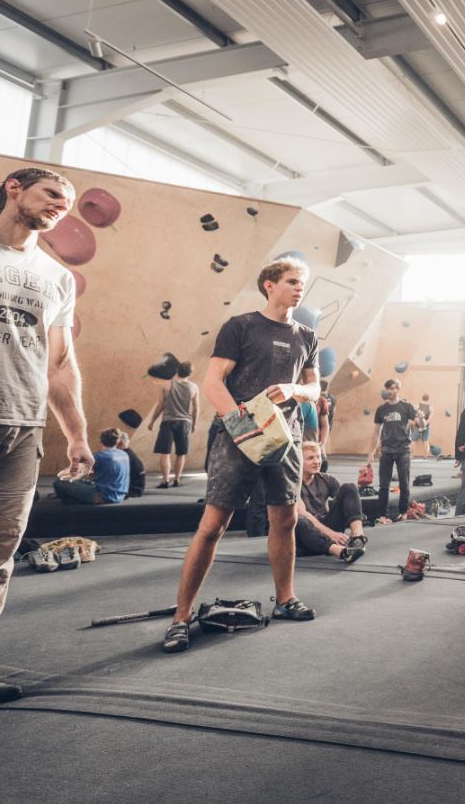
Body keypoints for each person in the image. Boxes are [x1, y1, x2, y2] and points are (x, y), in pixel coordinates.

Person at [0, 167, 91, 707]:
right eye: (52, 193)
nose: (61, 206)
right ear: (14, 189)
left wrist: (77, 434)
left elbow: (61, 364)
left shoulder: (58, 277)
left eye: (68, 202)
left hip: (22, 429)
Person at [162, 257, 320, 654]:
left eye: (303, 282)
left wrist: (296, 391)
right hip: (238, 436)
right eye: (291, 281)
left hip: (284, 437)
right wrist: (241, 423)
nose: (299, 287)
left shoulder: (307, 336)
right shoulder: (241, 326)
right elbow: (213, 380)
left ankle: (285, 600)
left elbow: (316, 389)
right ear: (269, 284)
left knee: (284, 519)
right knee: (213, 524)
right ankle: (181, 618)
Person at [293, 442, 367, 563]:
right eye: (311, 458)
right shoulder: (292, 484)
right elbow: (303, 514)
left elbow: (347, 499)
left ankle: (358, 539)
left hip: (326, 525)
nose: (317, 461)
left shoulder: (327, 479)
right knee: (299, 521)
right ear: (299, 461)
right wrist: (332, 534)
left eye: (318, 457)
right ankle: (341, 552)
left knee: (350, 487)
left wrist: (360, 484)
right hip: (308, 533)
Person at [145, 361, 199, 488]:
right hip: (185, 422)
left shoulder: (166, 385)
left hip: (168, 422)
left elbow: (160, 406)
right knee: (181, 453)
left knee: (165, 453)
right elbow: (196, 408)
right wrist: (194, 424)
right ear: (190, 373)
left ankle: (165, 480)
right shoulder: (194, 387)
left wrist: (152, 421)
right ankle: (177, 479)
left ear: (177, 371)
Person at [370, 379, 418, 522]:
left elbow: (420, 424)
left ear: (398, 389)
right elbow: (376, 432)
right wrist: (370, 452)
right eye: (388, 389)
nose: (390, 392)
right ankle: (382, 515)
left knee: (404, 484)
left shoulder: (407, 407)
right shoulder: (381, 409)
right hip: (386, 451)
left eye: (392, 388)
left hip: (403, 450)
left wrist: (421, 418)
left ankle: (402, 512)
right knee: (384, 485)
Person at [53, 429, 131, 505]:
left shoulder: (99, 457)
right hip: (120, 496)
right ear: (117, 441)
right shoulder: (124, 455)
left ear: (101, 441)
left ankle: (72, 503)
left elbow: (75, 471)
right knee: (81, 482)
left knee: (59, 481)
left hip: (103, 496)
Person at [117, 430, 147, 498]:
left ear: (121, 444)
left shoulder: (124, 456)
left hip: (132, 490)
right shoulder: (128, 453)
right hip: (136, 488)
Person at [411, 392, 432, 458]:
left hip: (418, 426)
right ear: (428, 399)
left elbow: (415, 417)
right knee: (426, 440)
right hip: (426, 426)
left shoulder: (417, 406)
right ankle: (425, 456)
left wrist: (420, 425)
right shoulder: (431, 407)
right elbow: (430, 418)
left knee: (413, 440)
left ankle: (411, 455)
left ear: (422, 398)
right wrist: (424, 425)